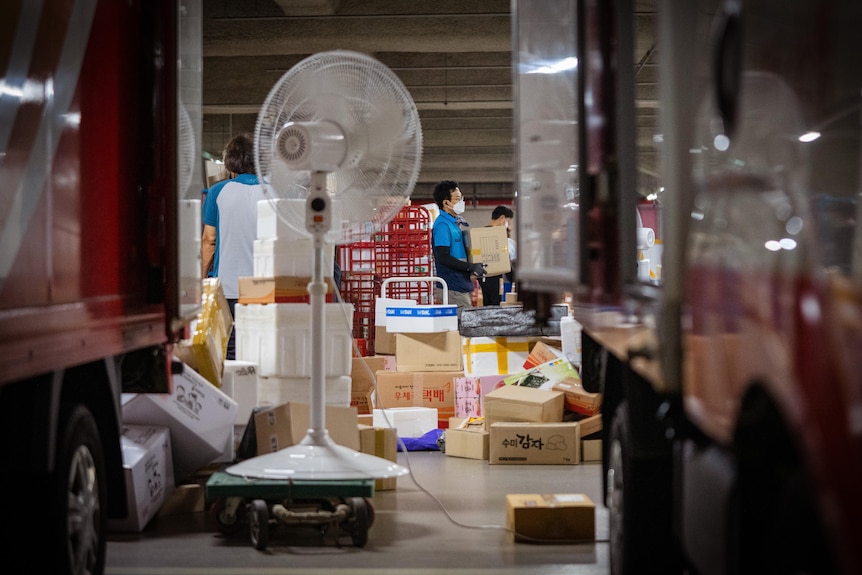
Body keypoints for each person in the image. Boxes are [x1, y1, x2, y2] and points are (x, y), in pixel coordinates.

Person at [201, 132, 268, 360]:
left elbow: (209, 240)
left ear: (230, 161)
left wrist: (201, 280)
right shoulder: (274, 192)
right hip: (265, 287)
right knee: (262, 349)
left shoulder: (217, 192)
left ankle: (233, 394)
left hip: (227, 287)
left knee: (230, 351)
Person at [431, 180, 486, 311]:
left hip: (460, 284)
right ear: (446, 203)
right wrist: (469, 266)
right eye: (457, 199)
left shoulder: (454, 224)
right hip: (452, 286)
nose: (461, 202)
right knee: (462, 327)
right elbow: (443, 256)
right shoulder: (442, 225)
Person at [479, 205, 514, 306]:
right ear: (502, 218)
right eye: (508, 221)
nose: (508, 225)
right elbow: (506, 261)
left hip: (483, 277)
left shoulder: (480, 234)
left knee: (487, 307)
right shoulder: (498, 236)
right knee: (496, 310)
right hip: (498, 280)